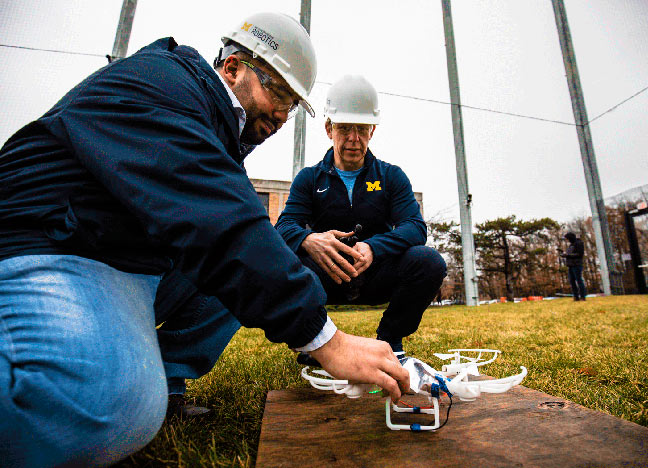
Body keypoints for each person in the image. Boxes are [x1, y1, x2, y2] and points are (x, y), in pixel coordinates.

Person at [0, 13, 409, 467]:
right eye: (276, 91)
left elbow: (244, 233)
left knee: (249, 258)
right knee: (104, 403)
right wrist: (325, 340)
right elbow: (221, 222)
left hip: (120, 258)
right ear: (232, 67)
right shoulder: (164, 85)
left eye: (291, 103)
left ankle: (170, 378)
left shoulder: (216, 130)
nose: (279, 113)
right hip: (47, 245)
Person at [275, 75, 447, 361]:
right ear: (329, 128)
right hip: (328, 273)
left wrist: (374, 247)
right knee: (288, 262)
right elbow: (283, 227)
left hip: (378, 274)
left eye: (362, 129)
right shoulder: (309, 178)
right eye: (344, 128)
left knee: (428, 261)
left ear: (373, 130)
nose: (354, 139)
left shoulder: (391, 176)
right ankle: (314, 340)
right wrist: (310, 239)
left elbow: (415, 227)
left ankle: (390, 339)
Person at [558, 231, 587, 301]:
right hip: (570, 265)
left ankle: (582, 296)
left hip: (577, 264)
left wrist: (567, 255)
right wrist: (563, 253)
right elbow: (569, 254)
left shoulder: (579, 244)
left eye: (567, 239)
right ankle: (576, 296)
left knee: (579, 280)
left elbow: (579, 254)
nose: (567, 240)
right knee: (572, 281)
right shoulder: (571, 245)